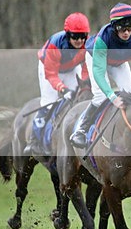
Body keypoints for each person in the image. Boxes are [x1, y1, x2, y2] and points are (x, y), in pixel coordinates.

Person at [69, 3, 131, 149]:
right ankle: (80, 130)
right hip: (96, 59)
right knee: (100, 96)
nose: (126, 33)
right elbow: (99, 73)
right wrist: (112, 96)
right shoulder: (103, 39)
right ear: (115, 27)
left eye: (129, 28)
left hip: (118, 62)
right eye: (122, 29)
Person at [24, 12, 90, 156]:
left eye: (82, 36)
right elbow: (51, 74)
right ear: (67, 35)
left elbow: (86, 66)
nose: (79, 40)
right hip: (50, 68)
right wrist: (63, 89)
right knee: (49, 101)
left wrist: (84, 83)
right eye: (75, 36)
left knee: (77, 99)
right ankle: (34, 141)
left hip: (71, 68)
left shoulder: (88, 44)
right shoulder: (55, 44)